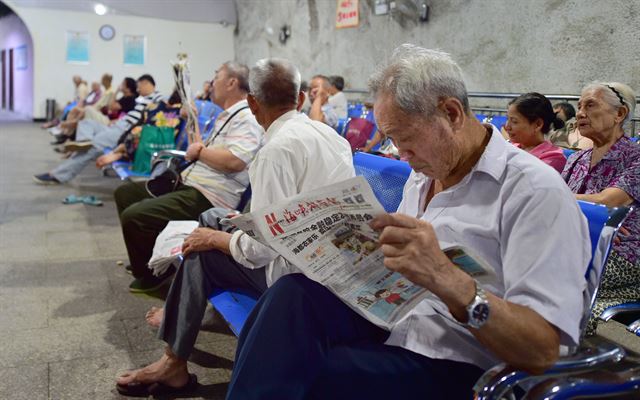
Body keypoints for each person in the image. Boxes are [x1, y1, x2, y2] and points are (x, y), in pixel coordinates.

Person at [225, 44, 590, 399]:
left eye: (406, 138)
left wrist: (448, 280)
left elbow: (542, 351)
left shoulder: (533, 192)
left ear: (451, 113)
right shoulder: (424, 174)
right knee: (291, 295)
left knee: (308, 370)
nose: (402, 154)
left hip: (459, 359)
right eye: (393, 140)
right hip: (397, 322)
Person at [115, 58, 355, 397]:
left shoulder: (274, 151)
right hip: (328, 263)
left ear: (253, 103)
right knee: (213, 219)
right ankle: (187, 306)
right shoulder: (331, 137)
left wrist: (214, 240)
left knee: (202, 252)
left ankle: (173, 363)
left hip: (294, 280)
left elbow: (261, 250)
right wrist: (219, 232)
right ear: (300, 99)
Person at [114, 62, 264, 293]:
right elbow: (206, 150)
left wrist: (201, 151)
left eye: (216, 76)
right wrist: (194, 128)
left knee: (135, 216)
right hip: (190, 183)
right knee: (125, 193)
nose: (212, 83)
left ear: (232, 82)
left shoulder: (246, 117)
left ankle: (156, 279)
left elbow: (236, 160)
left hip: (208, 196)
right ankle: (152, 262)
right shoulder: (228, 115)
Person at [561, 81, 640, 334]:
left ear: (620, 114)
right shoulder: (576, 159)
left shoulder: (635, 157)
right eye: (579, 106)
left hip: (621, 255)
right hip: (576, 243)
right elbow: (557, 207)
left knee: (549, 275)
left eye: (590, 105)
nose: (580, 113)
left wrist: (553, 196)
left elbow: (608, 201)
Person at [33, 74, 160, 184]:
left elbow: (161, 114)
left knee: (91, 148)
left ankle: (57, 175)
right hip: (117, 126)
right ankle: (83, 141)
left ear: (146, 83)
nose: (138, 89)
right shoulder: (141, 99)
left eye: (139, 86)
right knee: (86, 123)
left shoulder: (158, 98)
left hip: (125, 131)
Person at [504, 92, 567, 173]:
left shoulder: (553, 158)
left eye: (514, 121)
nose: (507, 126)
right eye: (507, 119)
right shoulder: (511, 147)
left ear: (538, 124)